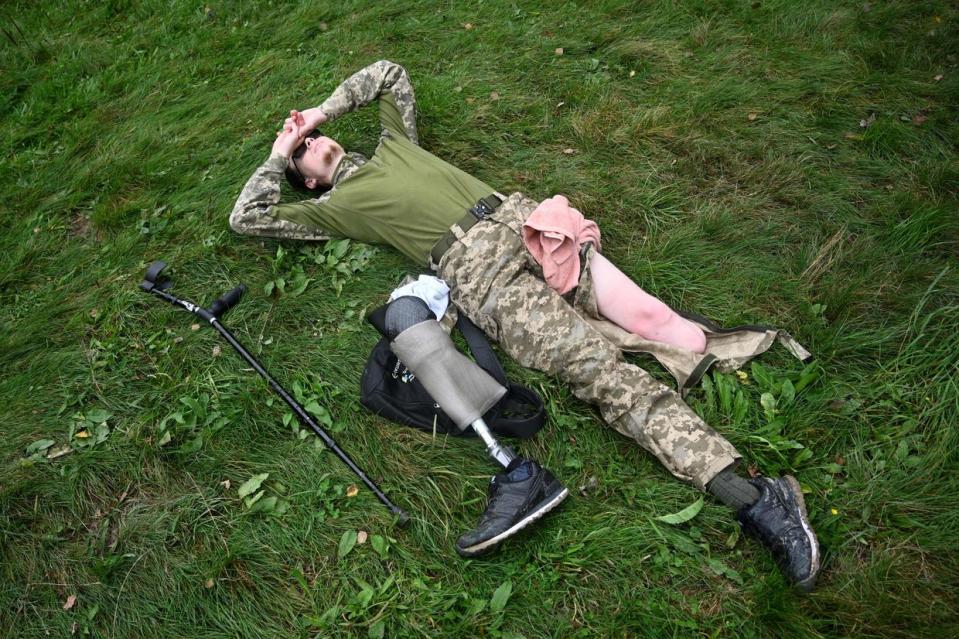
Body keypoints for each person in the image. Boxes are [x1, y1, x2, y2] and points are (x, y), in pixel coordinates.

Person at [230, 60, 820, 590]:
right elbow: (247, 216)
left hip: (529, 228)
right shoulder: (326, 208)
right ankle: (755, 497)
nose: (313, 139)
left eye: (313, 135)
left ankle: (712, 365)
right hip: (488, 281)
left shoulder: (393, 144)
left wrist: (320, 110)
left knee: (659, 321)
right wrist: (280, 150)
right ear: (307, 179)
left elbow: (388, 73)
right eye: (306, 148)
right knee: (602, 376)